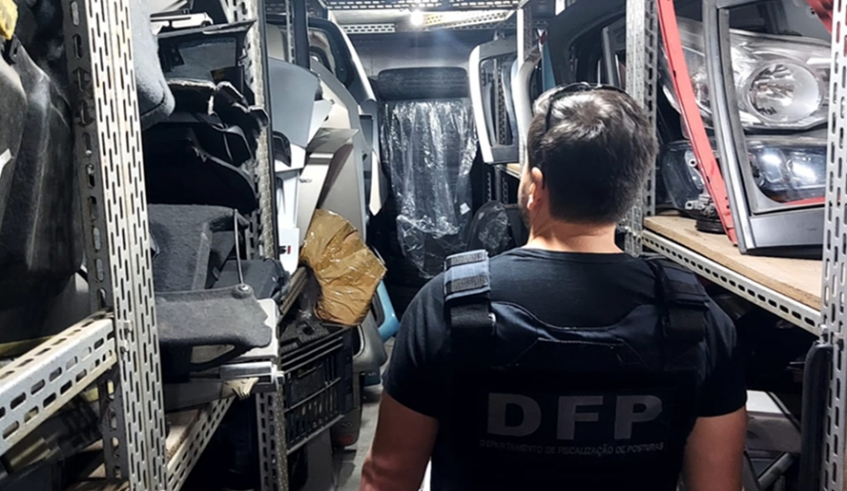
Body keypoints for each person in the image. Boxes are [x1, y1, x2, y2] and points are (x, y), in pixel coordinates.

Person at [360, 83, 747, 491]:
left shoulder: (447, 305)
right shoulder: (698, 320)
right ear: (630, 191)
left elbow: (388, 476)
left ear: (536, 185)